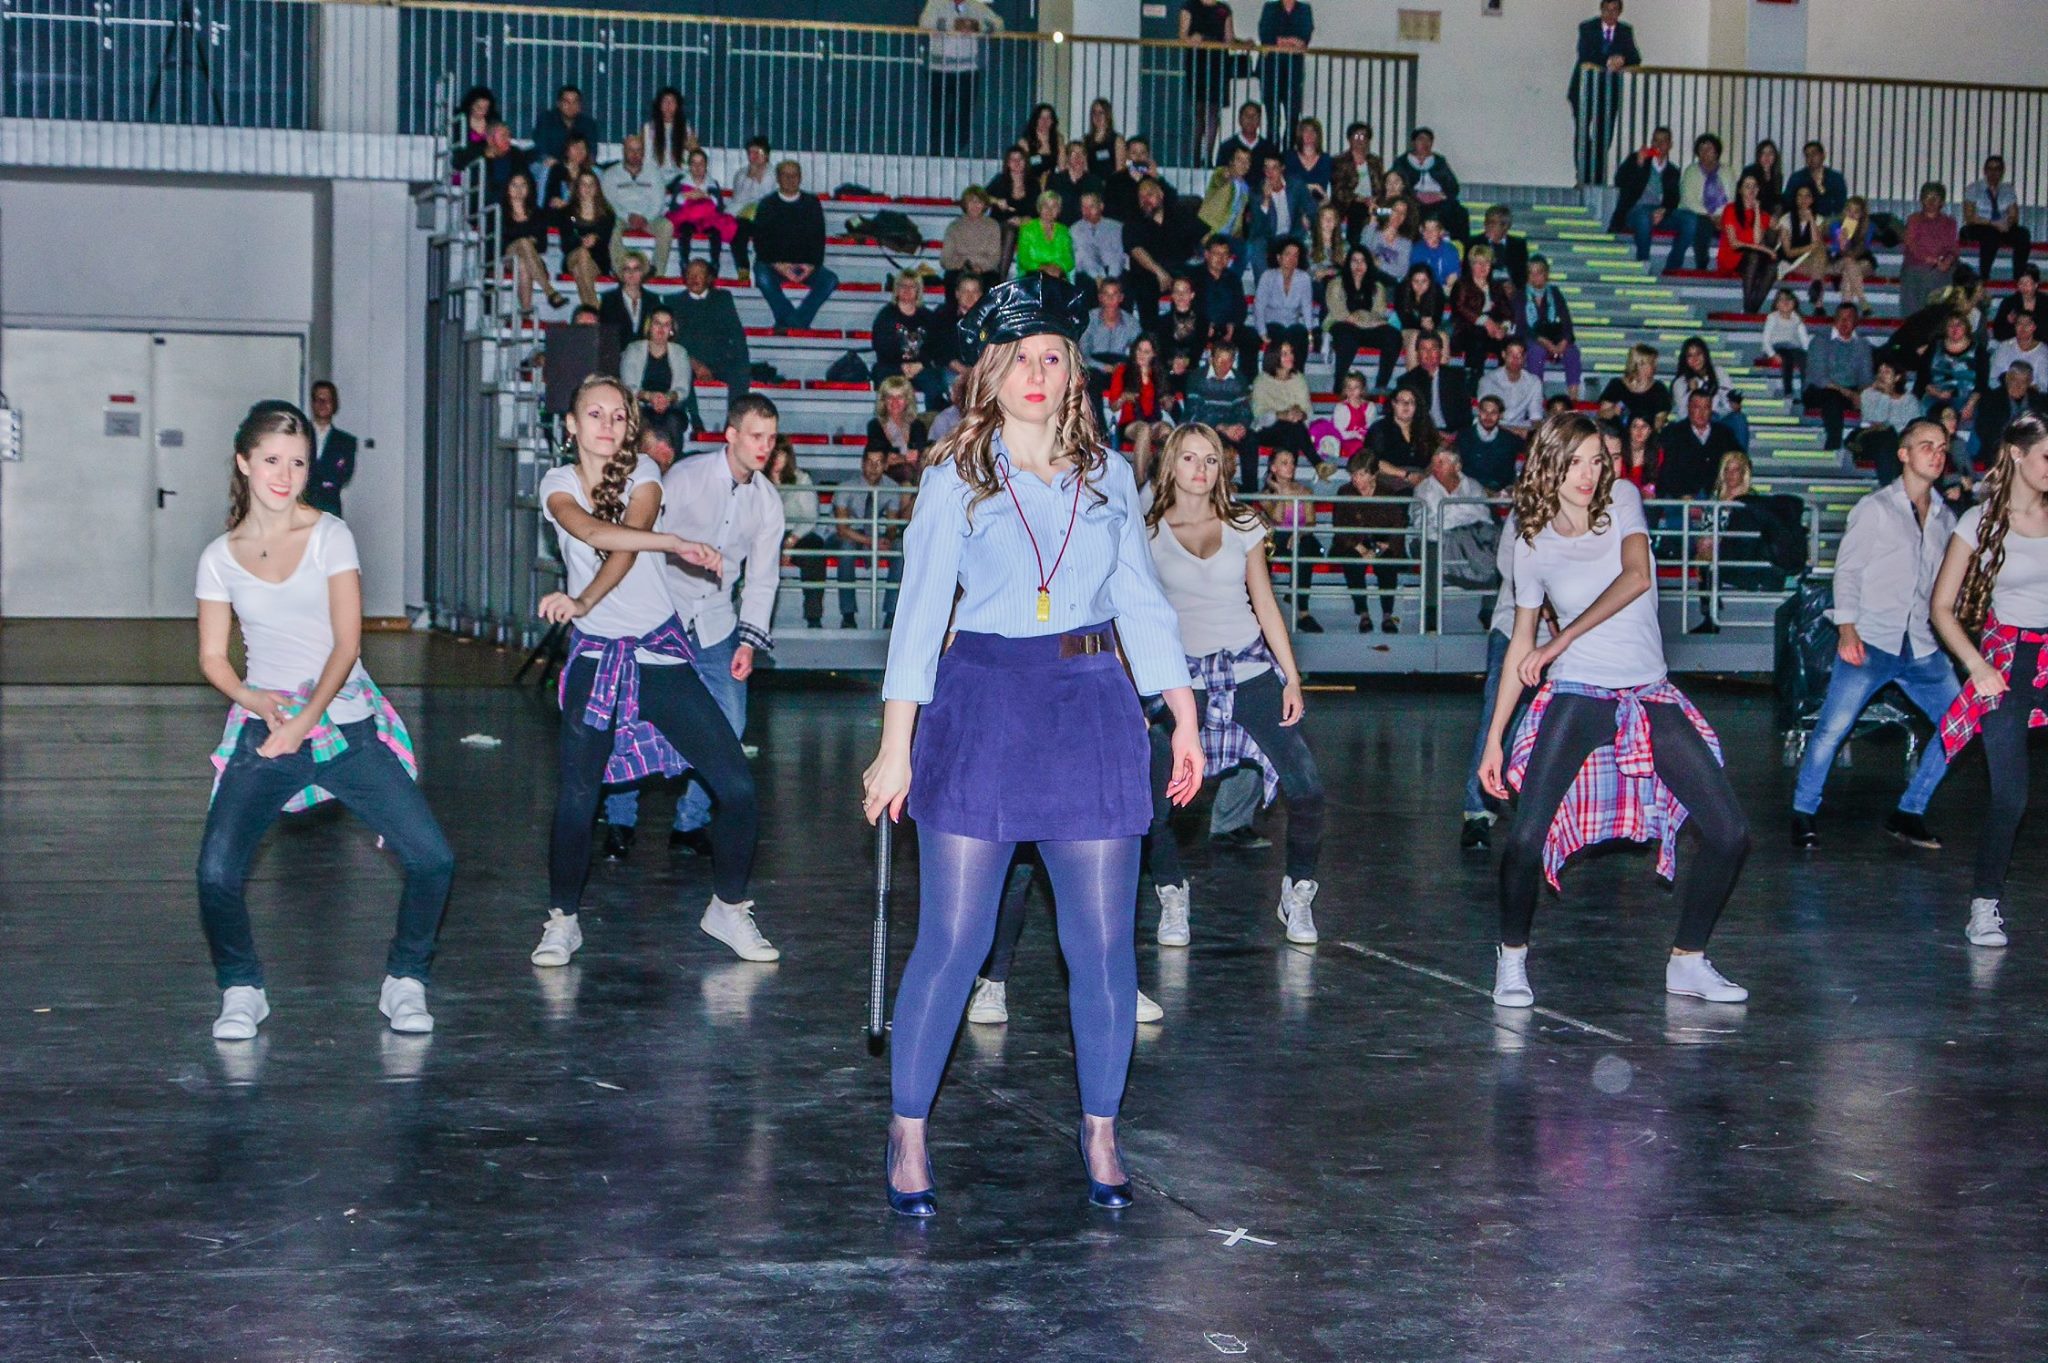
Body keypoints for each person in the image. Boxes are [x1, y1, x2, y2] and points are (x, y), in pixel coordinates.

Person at [862, 273, 1202, 1219]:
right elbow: (918, 617)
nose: (1037, 371)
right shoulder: (954, 477)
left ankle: (1101, 1127)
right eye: (1019, 358)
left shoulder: (1111, 476)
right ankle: (908, 1128)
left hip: (1090, 704)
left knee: (1102, 944)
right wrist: (896, 747)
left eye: (1052, 355)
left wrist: (1182, 713)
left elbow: (1141, 602)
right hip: (983, 704)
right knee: (955, 938)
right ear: (992, 374)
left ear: (1072, 370)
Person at [194, 401, 453, 1042]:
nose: (285, 475)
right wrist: (255, 701)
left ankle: (406, 978)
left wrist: (304, 721)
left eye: (298, 462)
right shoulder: (219, 557)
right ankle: (242, 988)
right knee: (216, 871)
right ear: (244, 463)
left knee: (433, 859)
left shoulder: (331, 535)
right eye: (272, 460)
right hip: (268, 722)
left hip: (345, 726)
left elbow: (347, 643)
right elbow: (212, 657)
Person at [1478, 413, 1751, 1008]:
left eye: (1597, 461)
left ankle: (1688, 960)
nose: (1588, 474)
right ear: (1549, 465)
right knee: (1525, 840)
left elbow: (1636, 578)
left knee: (1730, 833)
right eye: (1575, 462)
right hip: (1578, 694)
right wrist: (1495, 738)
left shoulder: (1623, 500)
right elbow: (1521, 643)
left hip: (1647, 692)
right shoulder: (1531, 543)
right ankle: (1512, 957)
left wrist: (1560, 639)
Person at [531, 375, 767, 969]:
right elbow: (592, 532)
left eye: (618, 416)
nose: (607, 425)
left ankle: (728, 908)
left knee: (737, 787)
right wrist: (675, 543)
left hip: (659, 653)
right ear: (571, 425)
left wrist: (590, 593)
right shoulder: (558, 483)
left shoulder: (644, 472)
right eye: (594, 414)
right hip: (597, 656)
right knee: (577, 796)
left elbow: (626, 546)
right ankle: (562, 920)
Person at [1149, 423, 1325, 942]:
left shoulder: (1244, 523)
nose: (1200, 469)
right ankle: (1171, 892)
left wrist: (1291, 676)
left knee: (1307, 788)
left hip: (1249, 672)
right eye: (1189, 458)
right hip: (1184, 682)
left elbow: (1264, 602)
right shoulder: (1148, 532)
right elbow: (1138, 614)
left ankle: (1298, 892)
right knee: (1154, 803)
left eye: (1210, 459)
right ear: (1171, 464)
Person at [602, 396, 786, 860]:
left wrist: (749, 642)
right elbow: (643, 538)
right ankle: (620, 819)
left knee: (730, 723)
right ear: (731, 435)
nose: (765, 447)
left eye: (771, 438)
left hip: (716, 623)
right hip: (662, 613)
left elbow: (763, 579)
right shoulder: (686, 477)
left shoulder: (768, 502)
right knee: (633, 714)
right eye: (756, 436)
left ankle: (690, 823)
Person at [1789, 418, 1958, 850]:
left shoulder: (1944, 516)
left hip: (1921, 644)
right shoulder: (1876, 508)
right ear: (1904, 454)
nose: (1937, 454)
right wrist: (1847, 629)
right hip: (1873, 639)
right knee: (1833, 728)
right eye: (1927, 446)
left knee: (1961, 723)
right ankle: (1803, 810)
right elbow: (1847, 571)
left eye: (1942, 447)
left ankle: (1909, 812)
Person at [1930, 414, 2048, 948]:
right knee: (2010, 796)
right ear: (2019, 455)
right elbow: (1941, 607)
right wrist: (1977, 666)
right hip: (2009, 660)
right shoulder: (1979, 521)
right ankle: (1984, 906)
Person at [1352, 385, 1436, 631]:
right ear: (1393, 404)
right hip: (1391, 478)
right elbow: (1374, 461)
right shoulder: (1381, 428)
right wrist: (1405, 475)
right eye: (1402, 401)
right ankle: (1394, 549)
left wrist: (1424, 476)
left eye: (1411, 402)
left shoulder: (1425, 428)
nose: (1407, 406)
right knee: (1398, 498)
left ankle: (1420, 547)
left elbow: (1434, 457)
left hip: (1421, 479)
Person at [752, 160, 839, 333]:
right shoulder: (767, 204)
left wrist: (810, 266)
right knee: (761, 274)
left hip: (805, 267)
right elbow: (760, 243)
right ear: (778, 178)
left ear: (800, 178)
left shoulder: (812, 203)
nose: (790, 179)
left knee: (830, 280)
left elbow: (818, 240)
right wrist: (779, 266)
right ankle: (795, 323)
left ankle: (792, 322)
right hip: (776, 267)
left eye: (794, 175)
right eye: (785, 175)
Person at [828, 446, 907, 629]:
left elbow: (892, 524)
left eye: (879, 463)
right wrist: (872, 542)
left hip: (873, 532)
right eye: (870, 462)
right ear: (862, 464)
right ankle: (848, 614)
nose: (874, 467)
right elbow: (842, 529)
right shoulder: (846, 487)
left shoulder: (892, 487)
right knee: (846, 548)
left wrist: (887, 539)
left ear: (885, 465)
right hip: (844, 535)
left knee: (899, 548)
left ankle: (891, 614)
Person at [1569, 0, 1640, 184]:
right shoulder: (1587, 28)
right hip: (1584, 89)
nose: (1610, 14)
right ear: (1601, 10)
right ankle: (1582, 175)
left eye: (1614, 10)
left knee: (1604, 135)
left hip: (1608, 92)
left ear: (1620, 12)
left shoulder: (1625, 31)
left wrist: (1622, 59)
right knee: (1583, 133)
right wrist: (1609, 61)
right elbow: (1585, 53)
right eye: (1606, 10)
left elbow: (1635, 57)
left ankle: (1597, 176)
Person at [922, 0, 1003, 155]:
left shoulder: (977, 6)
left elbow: (999, 24)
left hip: (967, 70)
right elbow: (925, 23)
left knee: (964, 117)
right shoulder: (936, 3)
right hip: (939, 69)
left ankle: (952, 153)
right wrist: (954, 25)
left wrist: (976, 26)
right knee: (938, 115)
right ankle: (935, 154)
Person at [1122, 178, 1204, 322]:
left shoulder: (1180, 214)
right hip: (1149, 272)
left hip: (1181, 269)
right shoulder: (1134, 220)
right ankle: (1151, 332)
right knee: (1144, 287)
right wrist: (1159, 272)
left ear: (1161, 194)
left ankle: (1189, 327)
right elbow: (1136, 250)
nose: (1145, 200)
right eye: (1141, 197)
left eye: (1149, 194)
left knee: (1197, 282)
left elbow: (1204, 235)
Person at [671, 257, 750, 407]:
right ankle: (693, 419)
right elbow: (673, 341)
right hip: (689, 361)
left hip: (719, 360)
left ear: (709, 278)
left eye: (699, 274)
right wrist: (695, 365)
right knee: (678, 373)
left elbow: (737, 334)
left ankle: (734, 418)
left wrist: (742, 362)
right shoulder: (675, 302)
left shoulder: (723, 298)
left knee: (740, 372)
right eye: (690, 274)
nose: (694, 278)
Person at [1325, 247, 1401, 390]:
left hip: (1368, 327)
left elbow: (1378, 313)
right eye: (1355, 261)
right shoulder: (1336, 284)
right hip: (1342, 325)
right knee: (1346, 337)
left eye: (1363, 261)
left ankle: (1381, 385)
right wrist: (1360, 318)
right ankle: (1339, 386)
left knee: (1393, 336)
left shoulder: (1377, 287)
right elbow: (1338, 311)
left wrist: (1361, 316)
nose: (1359, 265)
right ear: (1348, 263)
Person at [619, 306, 695, 448]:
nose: (661, 329)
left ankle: (673, 461)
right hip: (640, 407)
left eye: (666, 325)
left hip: (671, 408)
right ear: (649, 326)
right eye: (657, 323)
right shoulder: (633, 349)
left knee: (673, 423)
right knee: (642, 424)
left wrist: (667, 398)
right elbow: (628, 387)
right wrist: (649, 397)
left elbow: (682, 389)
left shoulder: (680, 352)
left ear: (672, 329)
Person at [602, 133, 674, 279]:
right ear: (624, 151)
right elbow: (609, 202)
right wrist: (627, 216)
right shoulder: (610, 174)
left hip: (649, 218)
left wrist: (646, 217)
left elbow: (658, 201)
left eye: (638, 150)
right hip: (620, 217)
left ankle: (657, 273)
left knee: (667, 226)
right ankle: (621, 271)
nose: (635, 154)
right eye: (631, 150)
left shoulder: (654, 173)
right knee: (608, 224)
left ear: (643, 152)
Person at [873, 270, 947, 411]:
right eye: (903, 286)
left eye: (912, 286)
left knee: (936, 385)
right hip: (892, 366)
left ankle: (932, 420)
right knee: (884, 380)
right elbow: (880, 346)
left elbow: (936, 347)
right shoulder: (886, 316)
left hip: (920, 367)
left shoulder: (928, 317)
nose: (907, 290)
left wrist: (921, 364)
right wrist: (901, 365)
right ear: (896, 289)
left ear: (918, 291)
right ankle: (884, 421)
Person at [1804, 304, 1874, 451]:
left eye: (1848, 318)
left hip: (1849, 391)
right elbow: (1820, 379)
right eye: (1840, 318)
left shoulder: (1862, 345)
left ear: (1856, 321)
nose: (1844, 322)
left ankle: (1864, 443)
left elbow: (1866, 378)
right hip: (1820, 391)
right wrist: (1850, 394)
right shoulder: (1820, 341)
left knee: (1874, 396)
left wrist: (1862, 395)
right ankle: (1833, 446)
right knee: (1832, 397)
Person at [1106, 334, 1178, 475]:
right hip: (1129, 424)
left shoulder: (1157, 374)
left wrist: (1168, 403)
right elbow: (1113, 405)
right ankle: (1140, 481)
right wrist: (1124, 397)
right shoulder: (1122, 370)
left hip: (1153, 421)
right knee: (1144, 429)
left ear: (1154, 354)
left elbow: (1167, 406)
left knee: (1167, 430)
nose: (1141, 354)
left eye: (1146, 352)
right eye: (1139, 350)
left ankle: (1163, 477)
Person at [496, 169, 565, 317]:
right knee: (524, 242)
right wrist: (527, 240)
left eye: (523, 185)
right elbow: (499, 243)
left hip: (530, 259)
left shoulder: (537, 213)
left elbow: (543, 246)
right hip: (506, 257)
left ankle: (526, 312)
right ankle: (550, 291)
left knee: (522, 265)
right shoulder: (500, 212)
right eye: (514, 185)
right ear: (507, 188)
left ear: (529, 188)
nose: (519, 189)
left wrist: (528, 242)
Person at [1183, 338, 1256, 476]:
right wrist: (1220, 426)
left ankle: (1250, 488)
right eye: (1220, 360)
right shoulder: (1196, 377)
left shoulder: (1239, 379)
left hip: (1230, 427)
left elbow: (1245, 410)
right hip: (1204, 427)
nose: (1224, 365)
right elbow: (1193, 414)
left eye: (1229, 361)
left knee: (1250, 440)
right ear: (1211, 359)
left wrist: (1241, 426)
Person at [1516, 255, 1582, 401]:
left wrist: (1564, 342)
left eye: (1539, 272)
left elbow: (1566, 322)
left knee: (1572, 352)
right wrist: (1545, 342)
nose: (1535, 277)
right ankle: (1536, 396)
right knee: (1537, 351)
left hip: (1554, 337)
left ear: (1546, 274)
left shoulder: (1555, 293)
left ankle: (1573, 398)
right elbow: (1521, 327)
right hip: (1531, 338)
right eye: (1531, 273)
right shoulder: (1520, 295)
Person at [1180, 0, 1239, 163]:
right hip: (1197, 61)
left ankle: (1208, 157)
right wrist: (1192, 39)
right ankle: (1195, 157)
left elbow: (1229, 39)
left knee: (1213, 110)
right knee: (1199, 109)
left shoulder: (1224, 9)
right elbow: (1182, 36)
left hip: (1218, 62)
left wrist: (1242, 43)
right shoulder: (1189, 7)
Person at [1249, 339, 1313, 487]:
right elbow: (1258, 416)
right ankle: (1316, 462)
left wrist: (1300, 414)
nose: (1290, 356)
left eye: (1291, 352)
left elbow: (1307, 411)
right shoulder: (1262, 381)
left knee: (1292, 431)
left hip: (1291, 430)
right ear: (1274, 357)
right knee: (1292, 429)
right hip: (1265, 429)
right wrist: (1280, 415)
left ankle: (1274, 485)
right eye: (1284, 354)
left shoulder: (1299, 379)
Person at [1656, 390, 1740, 501]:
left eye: (1706, 408)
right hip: (1680, 498)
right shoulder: (1672, 433)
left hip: (1716, 497)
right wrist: (1681, 494)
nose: (1701, 413)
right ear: (1689, 408)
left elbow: (1740, 460)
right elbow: (1666, 471)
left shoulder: (1724, 433)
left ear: (1711, 409)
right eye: (1697, 407)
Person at [666, 146, 738, 276]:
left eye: (701, 163)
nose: (697, 167)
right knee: (685, 229)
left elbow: (720, 208)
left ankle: (715, 264)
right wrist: (685, 196)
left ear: (706, 166)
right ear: (689, 166)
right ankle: (684, 262)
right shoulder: (682, 183)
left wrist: (706, 196)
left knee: (715, 232)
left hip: (708, 219)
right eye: (694, 163)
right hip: (687, 217)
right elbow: (673, 207)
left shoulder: (712, 183)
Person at [1664, 134, 1730, 275]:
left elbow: (1731, 198)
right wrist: (1710, 215)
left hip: (1721, 216)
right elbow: (1688, 200)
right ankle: (1702, 263)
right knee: (1702, 223)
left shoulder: (1727, 172)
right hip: (1697, 214)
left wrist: (1720, 216)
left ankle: (1731, 267)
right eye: (1701, 149)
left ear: (1716, 152)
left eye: (1709, 148)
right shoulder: (1691, 171)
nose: (1705, 152)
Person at [1960, 155, 2031, 283]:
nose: (1993, 172)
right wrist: (1993, 223)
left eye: (1997, 169)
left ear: (2002, 172)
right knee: (1990, 234)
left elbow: (2014, 215)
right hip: (1978, 226)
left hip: (2001, 227)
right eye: (1990, 169)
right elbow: (1969, 217)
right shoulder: (1973, 188)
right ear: (1985, 171)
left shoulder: (2008, 189)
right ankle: (1984, 277)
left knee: (2023, 234)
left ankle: (2019, 277)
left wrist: (2007, 223)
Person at [1851, 359, 1921, 482]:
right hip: (1872, 437)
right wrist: (1885, 395)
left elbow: (1913, 426)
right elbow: (1877, 420)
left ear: (1897, 377)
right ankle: (1888, 485)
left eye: (1887, 372)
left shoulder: (1910, 400)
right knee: (1887, 437)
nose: (1881, 375)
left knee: (1896, 443)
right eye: (1880, 372)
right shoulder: (1868, 394)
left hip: (1899, 442)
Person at [1392, 128, 1467, 242]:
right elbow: (1396, 185)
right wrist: (1417, 196)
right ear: (1413, 142)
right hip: (1413, 202)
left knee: (1460, 212)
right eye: (1421, 139)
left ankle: (1456, 246)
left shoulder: (1439, 162)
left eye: (1428, 140)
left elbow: (1453, 187)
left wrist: (1442, 195)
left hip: (1439, 202)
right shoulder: (1402, 162)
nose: (1425, 143)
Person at [1447, 245, 1513, 371]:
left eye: (1487, 262)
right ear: (1471, 265)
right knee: (1478, 338)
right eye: (1478, 263)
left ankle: (1504, 379)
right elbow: (1460, 308)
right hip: (1465, 330)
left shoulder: (1496, 286)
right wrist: (1485, 321)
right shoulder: (1462, 284)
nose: (1483, 267)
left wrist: (1503, 329)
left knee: (1509, 343)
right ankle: (1474, 378)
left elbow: (1507, 312)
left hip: (1493, 331)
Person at [1901, 182, 1961, 318]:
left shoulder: (1950, 222)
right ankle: (1916, 321)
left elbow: (1953, 248)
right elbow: (1912, 245)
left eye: (1936, 197)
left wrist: (1948, 261)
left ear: (1942, 202)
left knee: (1945, 275)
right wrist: (1931, 260)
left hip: (1943, 265)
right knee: (1922, 276)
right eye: (1927, 197)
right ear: (1922, 200)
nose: (1931, 201)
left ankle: (1938, 319)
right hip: (1917, 264)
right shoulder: (1914, 219)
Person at [1614, 126, 1679, 251]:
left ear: (1670, 145)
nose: (1659, 144)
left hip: (1659, 212)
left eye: (1663, 141)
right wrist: (1638, 165)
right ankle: (1643, 259)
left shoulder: (1673, 171)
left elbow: (1673, 198)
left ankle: (1674, 262)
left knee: (1688, 220)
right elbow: (1619, 180)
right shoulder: (1636, 159)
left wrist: (1663, 211)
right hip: (1635, 210)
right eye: (1655, 140)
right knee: (1643, 217)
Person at [1719, 172, 1775, 315]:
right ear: (1740, 190)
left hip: (1751, 257)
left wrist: (1756, 211)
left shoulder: (1763, 215)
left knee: (1772, 268)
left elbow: (1756, 240)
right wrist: (1766, 250)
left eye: (1755, 186)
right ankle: (1749, 309)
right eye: (1747, 186)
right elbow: (1734, 243)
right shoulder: (1730, 209)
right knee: (1754, 256)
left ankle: (1749, 310)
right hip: (1732, 256)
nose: (1751, 190)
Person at [560, 170, 617, 312]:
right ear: (577, 188)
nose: (588, 188)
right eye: (583, 184)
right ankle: (597, 311)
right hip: (572, 257)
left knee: (579, 269)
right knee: (582, 253)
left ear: (597, 188)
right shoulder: (568, 212)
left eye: (591, 184)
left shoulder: (607, 214)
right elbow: (565, 244)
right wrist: (581, 242)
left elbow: (605, 242)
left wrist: (596, 238)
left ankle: (591, 312)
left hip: (598, 261)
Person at [1247, 159, 1312, 278]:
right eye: (1266, 168)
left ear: (1282, 168)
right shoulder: (1256, 192)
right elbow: (1258, 227)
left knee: (1305, 242)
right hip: (1267, 237)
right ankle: (1264, 287)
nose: (1269, 172)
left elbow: (1311, 207)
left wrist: (1306, 216)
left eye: (1274, 168)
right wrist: (1266, 200)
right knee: (1256, 248)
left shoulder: (1296, 185)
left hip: (1292, 235)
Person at [1257, 0, 1313, 137]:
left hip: (1294, 70)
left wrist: (1281, 41)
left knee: (1293, 116)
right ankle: (1273, 148)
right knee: (1272, 117)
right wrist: (1292, 41)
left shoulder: (1304, 9)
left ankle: (1289, 148)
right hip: (1271, 69)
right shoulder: (1270, 8)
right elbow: (1266, 35)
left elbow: (1304, 37)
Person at [1252, 237, 1315, 360]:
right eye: (1288, 254)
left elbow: (1307, 308)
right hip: (1270, 325)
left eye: (1296, 255)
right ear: (1278, 257)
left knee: (1299, 332)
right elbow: (1259, 307)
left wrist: (1310, 336)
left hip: (1292, 325)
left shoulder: (1304, 278)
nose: (1292, 259)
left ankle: (1297, 370)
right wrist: (1262, 333)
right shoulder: (1267, 276)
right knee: (1279, 333)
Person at [1397, 332, 1472, 433]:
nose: (1429, 353)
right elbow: (1405, 418)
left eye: (1433, 349)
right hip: (1421, 434)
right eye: (1423, 349)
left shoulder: (1456, 377)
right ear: (1417, 353)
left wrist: (1455, 435)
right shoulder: (1407, 381)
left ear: (1441, 352)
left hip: (1451, 433)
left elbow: (1466, 415)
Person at [725, 136, 775, 286]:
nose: (753, 156)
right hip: (742, 215)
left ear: (766, 155)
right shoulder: (741, 173)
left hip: (765, 216)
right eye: (750, 152)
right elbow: (738, 198)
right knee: (737, 229)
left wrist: (758, 177)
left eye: (757, 152)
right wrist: (750, 177)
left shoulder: (773, 173)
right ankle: (743, 269)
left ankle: (762, 271)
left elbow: (768, 196)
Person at [1080, 277, 1143, 393]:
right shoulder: (1089, 319)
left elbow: (1139, 353)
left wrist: (1121, 368)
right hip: (1095, 367)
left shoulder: (1131, 323)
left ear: (1121, 298)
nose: (1110, 298)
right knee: (1089, 378)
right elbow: (1083, 354)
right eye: (1106, 294)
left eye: (1114, 294)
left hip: (1122, 366)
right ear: (1100, 297)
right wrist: (1104, 367)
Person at [305, 381, 357, 518]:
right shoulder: (299, 435)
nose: (322, 404)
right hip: (300, 506)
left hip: (330, 508)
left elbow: (344, 476)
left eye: (327, 400)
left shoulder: (346, 442)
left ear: (334, 404)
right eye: (319, 399)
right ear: (312, 403)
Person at [1924, 314, 1987, 427]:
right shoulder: (1934, 347)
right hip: (1937, 395)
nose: (1955, 329)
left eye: (1959, 325)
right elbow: (1923, 378)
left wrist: (1970, 405)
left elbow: (1982, 383)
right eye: (1950, 325)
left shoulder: (1978, 350)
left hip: (1968, 398)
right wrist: (1938, 393)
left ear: (1966, 328)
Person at [1773, 183, 1830, 307]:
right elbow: (1788, 252)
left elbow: (1817, 242)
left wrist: (1811, 219)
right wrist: (1811, 247)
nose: (1803, 199)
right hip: (1789, 261)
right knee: (1821, 262)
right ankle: (1818, 305)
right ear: (1795, 199)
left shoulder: (1819, 219)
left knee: (1820, 255)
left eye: (1807, 196)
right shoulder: (1786, 219)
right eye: (1800, 196)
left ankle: (1817, 295)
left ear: (1812, 199)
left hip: (1810, 260)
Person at [940, 186, 1006, 292]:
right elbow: (945, 259)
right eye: (971, 202)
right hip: (960, 269)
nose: (975, 205)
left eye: (979, 202)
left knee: (992, 281)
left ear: (985, 205)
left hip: (985, 271)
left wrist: (980, 267)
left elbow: (994, 257)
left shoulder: (993, 226)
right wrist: (961, 265)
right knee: (950, 279)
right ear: (965, 204)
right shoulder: (954, 227)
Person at [1331, 122, 1388, 244]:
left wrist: (1375, 199)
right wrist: (1359, 198)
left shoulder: (1375, 161)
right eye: (1356, 136)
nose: (1359, 140)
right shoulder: (1339, 161)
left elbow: (1381, 187)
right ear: (1349, 139)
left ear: (1368, 140)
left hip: (1374, 203)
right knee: (1359, 212)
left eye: (1363, 136)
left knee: (1391, 212)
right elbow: (1338, 190)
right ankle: (1356, 247)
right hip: (1349, 203)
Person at [866, 376, 932, 481]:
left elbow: (921, 455)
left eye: (900, 397)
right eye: (890, 397)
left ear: (908, 400)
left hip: (915, 474)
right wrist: (905, 458)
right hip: (886, 479)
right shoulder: (875, 426)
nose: (895, 402)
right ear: (883, 401)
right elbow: (881, 459)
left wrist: (901, 458)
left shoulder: (917, 426)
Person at [1456, 394, 1524, 493]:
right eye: (1485, 411)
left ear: (1501, 415)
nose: (1488, 416)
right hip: (1471, 494)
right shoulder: (1463, 437)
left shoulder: (1510, 439)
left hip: (1502, 495)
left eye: (1493, 412)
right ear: (1479, 412)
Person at [1478, 339, 1545, 437]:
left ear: (1525, 357)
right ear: (1503, 355)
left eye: (1519, 355)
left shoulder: (1534, 382)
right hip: (1494, 426)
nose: (1515, 359)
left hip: (1521, 427)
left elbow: (1536, 417)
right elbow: (1486, 415)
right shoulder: (1488, 380)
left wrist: (1533, 433)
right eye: (1511, 355)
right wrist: (1512, 432)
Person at [1598, 342, 1671, 430]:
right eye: (1652, 363)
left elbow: (1659, 421)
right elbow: (1601, 414)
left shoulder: (1659, 389)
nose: (1655, 366)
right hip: (1616, 434)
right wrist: (1613, 410)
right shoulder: (1616, 385)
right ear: (1639, 364)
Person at [596, 251, 658, 353]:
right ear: (621, 273)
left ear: (643, 272)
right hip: (617, 355)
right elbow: (605, 334)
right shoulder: (609, 300)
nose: (631, 273)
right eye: (626, 269)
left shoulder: (653, 300)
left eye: (636, 269)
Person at [529, 84, 599, 174]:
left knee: (597, 172)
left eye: (575, 102)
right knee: (546, 171)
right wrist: (554, 163)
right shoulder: (546, 120)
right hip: (549, 164)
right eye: (567, 102)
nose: (571, 106)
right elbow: (541, 148)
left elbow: (591, 152)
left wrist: (585, 164)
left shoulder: (588, 124)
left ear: (580, 105)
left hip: (578, 165)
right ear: (558, 104)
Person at [1070, 193, 1128, 297]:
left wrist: (1110, 280)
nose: (1087, 211)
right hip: (1088, 275)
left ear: (1101, 206)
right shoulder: (1075, 229)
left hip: (1114, 273)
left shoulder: (1116, 227)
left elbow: (1118, 256)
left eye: (1091, 206)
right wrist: (1097, 277)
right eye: (1084, 207)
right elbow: (1082, 258)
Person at [1217, 102, 1282, 190]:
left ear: (1259, 121)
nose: (1250, 119)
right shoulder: (1227, 147)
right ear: (1239, 119)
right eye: (1246, 115)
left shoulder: (1269, 148)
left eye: (1255, 116)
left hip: (1262, 194)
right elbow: (1220, 177)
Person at [1761, 287, 1810, 400]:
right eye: (1782, 300)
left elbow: (1804, 338)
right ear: (1776, 304)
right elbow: (1766, 339)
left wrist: (1807, 352)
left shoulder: (1797, 318)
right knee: (1787, 358)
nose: (1785, 302)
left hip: (1793, 347)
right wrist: (1772, 354)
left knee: (1804, 359)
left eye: (1789, 299)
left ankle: (1806, 392)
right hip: (1777, 346)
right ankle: (1788, 392)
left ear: (1794, 303)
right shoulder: (1773, 317)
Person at [1016, 190, 1077, 279]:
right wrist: (1043, 268)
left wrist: (1058, 268)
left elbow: (1069, 260)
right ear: (1039, 208)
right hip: (1033, 275)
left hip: (1058, 275)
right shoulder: (1028, 229)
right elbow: (1023, 260)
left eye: (1054, 206)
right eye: (1046, 206)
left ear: (1059, 210)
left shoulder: (1063, 231)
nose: (1049, 210)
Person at [1471, 205, 1530, 292]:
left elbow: (1523, 274)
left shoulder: (1519, 245)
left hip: (1510, 291)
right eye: (1487, 222)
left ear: (1506, 226)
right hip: (1481, 289)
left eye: (1492, 222)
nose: (1487, 225)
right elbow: (1467, 271)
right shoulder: (1474, 243)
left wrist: (1514, 287)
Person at [1046, 141, 1103, 225]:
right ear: (1067, 158)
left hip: (1086, 228)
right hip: (1060, 228)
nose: (1078, 157)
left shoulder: (1094, 181)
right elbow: (1048, 208)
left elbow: (1099, 209)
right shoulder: (1055, 180)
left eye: (1081, 153)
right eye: (1073, 154)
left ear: (1085, 157)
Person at [643, 86, 693, 178]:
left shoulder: (686, 129)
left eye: (672, 102)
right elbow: (646, 157)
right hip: (655, 175)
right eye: (665, 101)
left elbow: (695, 153)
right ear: (659, 105)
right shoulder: (649, 128)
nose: (668, 105)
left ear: (677, 106)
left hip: (680, 175)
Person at [1990, 312, 2047, 393]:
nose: (2023, 328)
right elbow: (1993, 378)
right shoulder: (2005, 346)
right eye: (2019, 323)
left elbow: (2044, 385)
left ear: (2034, 327)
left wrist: (2024, 389)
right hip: (2005, 392)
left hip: (2032, 395)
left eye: (2028, 324)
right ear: (2015, 326)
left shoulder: (2043, 351)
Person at [1992, 265, 2043, 343]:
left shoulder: (2045, 303)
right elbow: (1998, 334)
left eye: (2027, 283)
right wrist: (2008, 322)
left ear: (2036, 284)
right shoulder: (2009, 303)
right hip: (2013, 345)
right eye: (2021, 283)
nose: (2024, 287)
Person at [1412, 216, 1461, 291]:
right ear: (1421, 231)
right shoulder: (1416, 250)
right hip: (1422, 290)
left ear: (1441, 232)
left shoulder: (1450, 251)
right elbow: (1415, 278)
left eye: (1434, 229)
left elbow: (1452, 278)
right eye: (1426, 229)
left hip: (1444, 290)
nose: (1429, 233)